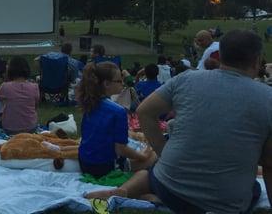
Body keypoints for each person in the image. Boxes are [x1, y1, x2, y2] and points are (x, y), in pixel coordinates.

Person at [86, 30, 272, 214]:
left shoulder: (187, 79)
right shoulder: (267, 97)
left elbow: (144, 111)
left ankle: (125, 191)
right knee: (253, 187)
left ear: (220, 55)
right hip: (224, 202)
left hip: (169, 188)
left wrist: (163, 153)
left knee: (152, 172)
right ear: (257, 60)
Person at [77, 62, 154, 178]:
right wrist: (142, 156)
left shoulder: (90, 103)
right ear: (107, 83)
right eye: (118, 81)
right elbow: (121, 150)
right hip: (104, 167)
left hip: (84, 162)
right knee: (154, 156)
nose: (122, 84)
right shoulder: (118, 111)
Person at [0, 56, 39, 135]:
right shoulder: (34, 87)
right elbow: (35, 107)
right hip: (30, 128)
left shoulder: (5, 87)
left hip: (10, 129)